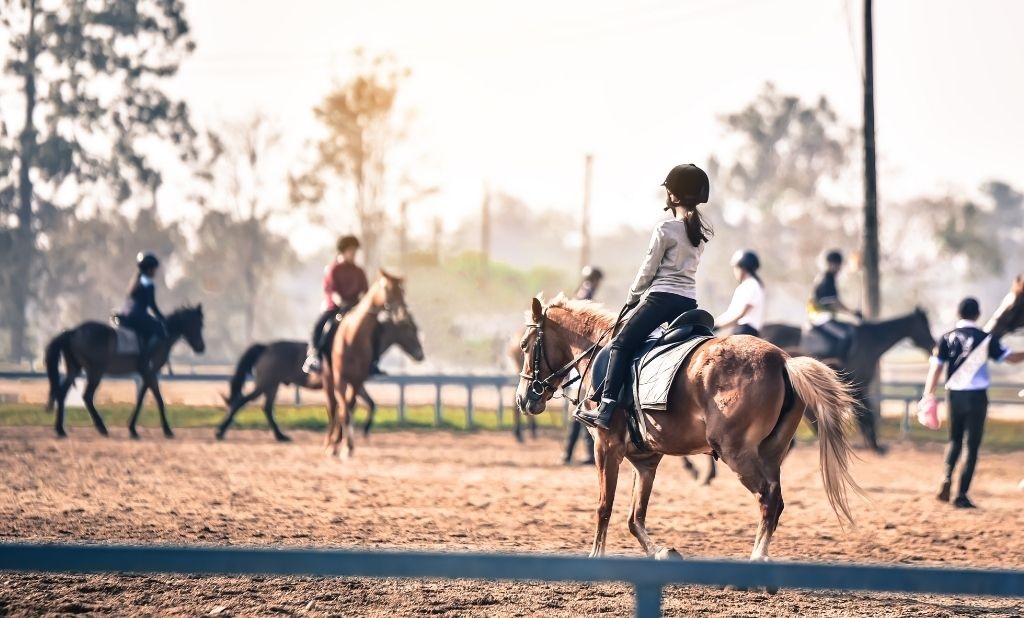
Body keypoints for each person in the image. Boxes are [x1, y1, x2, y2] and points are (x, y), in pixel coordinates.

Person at [576, 163, 712, 430]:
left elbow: (648, 269)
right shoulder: (700, 234)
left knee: (620, 345)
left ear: (673, 196)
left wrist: (632, 297)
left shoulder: (665, 229)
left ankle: (606, 408)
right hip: (689, 303)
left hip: (661, 299)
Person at [920, 297, 1024, 508]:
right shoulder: (986, 338)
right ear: (977, 314)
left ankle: (947, 477)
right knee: (972, 446)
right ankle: (961, 495)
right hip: (977, 398)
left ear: (959, 314)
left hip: (954, 397)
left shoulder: (946, 338)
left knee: (954, 441)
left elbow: (936, 369)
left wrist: (928, 395)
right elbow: (1010, 358)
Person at [303, 235, 369, 374]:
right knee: (319, 326)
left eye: (355, 251)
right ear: (343, 251)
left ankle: (372, 361)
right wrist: (341, 302)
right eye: (351, 251)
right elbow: (332, 291)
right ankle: (315, 357)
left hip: (355, 309)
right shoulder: (333, 269)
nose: (354, 254)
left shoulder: (359, 271)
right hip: (335, 308)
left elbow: (365, 292)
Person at [564, 265, 604, 464]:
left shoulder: (580, 293)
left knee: (581, 406)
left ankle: (569, 453)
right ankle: (581, 453)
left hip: (580, 360)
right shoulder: (586, 295)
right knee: (584, 405)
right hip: (583, 361)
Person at [807, 250, 862, 358]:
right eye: (838, 265)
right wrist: (852, 312)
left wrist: (852, 312)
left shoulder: (828, 277)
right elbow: (834, 303)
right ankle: (838, 363)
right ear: (833, 264)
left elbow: (835, 302)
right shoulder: (827, 279)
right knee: (845, 335)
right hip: (821, 317)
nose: (840, 269)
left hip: (825, 316)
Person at [119, 252, 168, 373]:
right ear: (149, 269)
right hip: (137, 316)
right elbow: (152, 305)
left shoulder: (136, 280)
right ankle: (145, 361)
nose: (156, 272)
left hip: (127, 315)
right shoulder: (148, 283)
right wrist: (162, 319)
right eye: (155, 269)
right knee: (159, 331)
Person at [715, 250, 764, 337]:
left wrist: (718, 327)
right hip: (740, 330)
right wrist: (713, 323)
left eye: (735, 267)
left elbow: (741, 314)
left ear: (742, 268)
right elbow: (730, 313)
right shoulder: (744, 286)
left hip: (745, 331)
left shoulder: (752, 285)